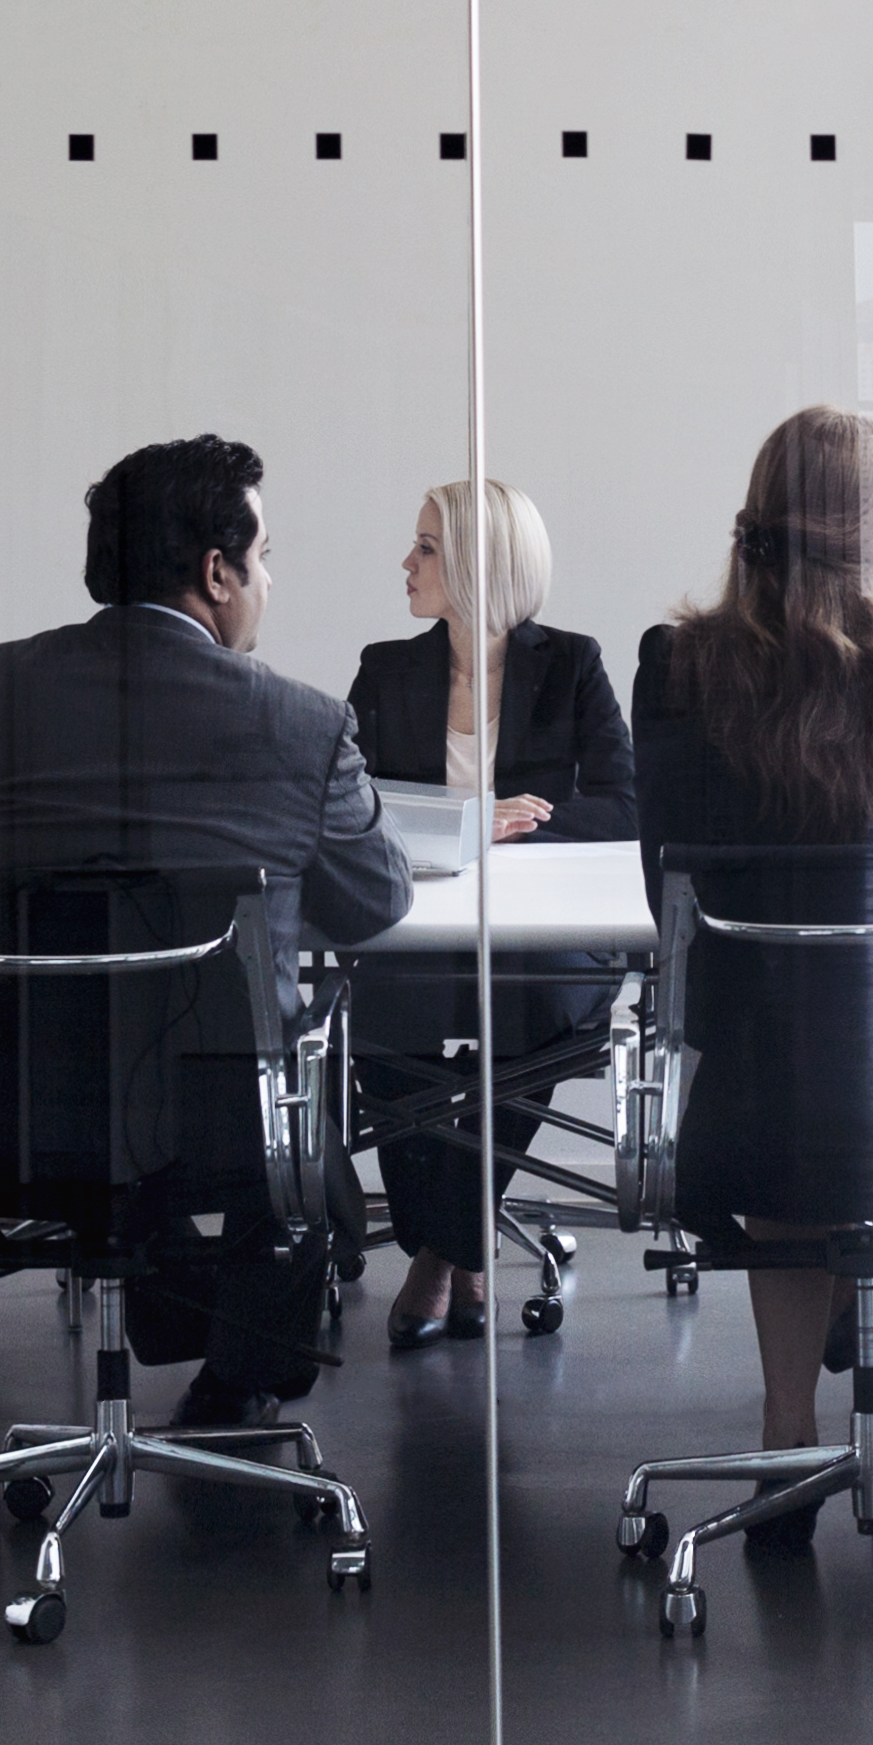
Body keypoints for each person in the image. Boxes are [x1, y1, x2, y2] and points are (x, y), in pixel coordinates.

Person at [0, 436, 412, 1427]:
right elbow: (372, 903)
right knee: (279, 1093)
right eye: (264, 556)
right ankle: (233, 1386)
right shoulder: (301, 723)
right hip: (217, 1130)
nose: (267, 580)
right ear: (217, 573)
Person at [627, 407, 873, 1491]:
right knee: (860, 1085)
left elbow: (671, 886)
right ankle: (862, 1331)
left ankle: (787, 1413)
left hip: (751, 1086)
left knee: (794, 1104)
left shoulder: (678, 666)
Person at [344, 478, 635, 1349]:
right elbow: (347, 805)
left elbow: (624, 805)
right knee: (385, 1017)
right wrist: (470, 822)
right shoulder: (386, 669)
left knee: (529, 1006)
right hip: (420, 922)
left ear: (480, 564)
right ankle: (459, 1243)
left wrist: (521, 825)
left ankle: (440, 1254)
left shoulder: (571, 664)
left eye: (426, 547)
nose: (407, 562)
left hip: (540, 931)